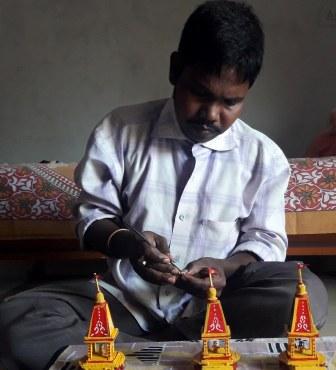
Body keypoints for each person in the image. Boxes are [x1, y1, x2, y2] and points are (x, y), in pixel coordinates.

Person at [0, 1, 328, 369]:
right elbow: (93, 217)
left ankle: (136, 355)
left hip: (217, 309)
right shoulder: (120, 130)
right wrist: (131, 244)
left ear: (247, 93)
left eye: (231, 102)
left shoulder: (263, 156)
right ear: (175, 69)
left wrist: (225, 267)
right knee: (16, 315)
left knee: (304, 292)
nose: (211, 114)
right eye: (200, 94)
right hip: (124, 301)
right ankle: (177, 354)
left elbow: (265, 240)